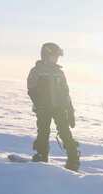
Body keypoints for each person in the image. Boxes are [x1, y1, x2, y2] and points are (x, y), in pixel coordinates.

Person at [27, 42, 80, 171]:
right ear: (45, 55)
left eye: (57, 57)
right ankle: (41, 155)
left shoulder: (59, 73)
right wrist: (39, 104)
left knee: (65, 132)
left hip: (59, 108)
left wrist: (70, 110)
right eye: (54, 56)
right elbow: (31, 89)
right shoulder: (37, 71)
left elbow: (65, 92)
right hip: (43, 108)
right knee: (43, 131)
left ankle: (73, 158)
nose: (56, 59)